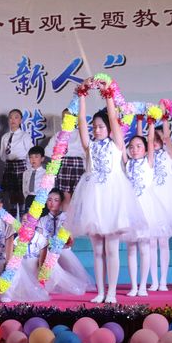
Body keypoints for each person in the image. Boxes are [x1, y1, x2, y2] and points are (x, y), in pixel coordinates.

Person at [65, 80, 147, 303]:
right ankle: (100, 292)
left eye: (101, 127)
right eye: (95, 127)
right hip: (94, 199)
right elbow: (81, 121)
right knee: (97, 251)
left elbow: (112, 116)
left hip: (112, 199)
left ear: (110, 129)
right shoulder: (89, 146)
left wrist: (109, 94)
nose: (97, 130)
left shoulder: (116, 144)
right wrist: (82, 95)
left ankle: (111, 292)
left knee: (111, 249)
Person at [124, 126, 172, 297]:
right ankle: (134, 286)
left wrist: (150, 121)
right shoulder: (127, 163)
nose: (134, 150)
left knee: (146, 247)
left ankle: (144, 285)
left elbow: (147, 140)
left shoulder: (149, 161)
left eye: (138, 146)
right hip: (131, 209)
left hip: (147, 208)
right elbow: (124, 144)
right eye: (131, 147)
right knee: (131, 249)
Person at [140, 117, 172, 291]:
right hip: (151, 200)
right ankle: (154, 281)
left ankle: (163, 281)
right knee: (151, 242)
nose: (155, 142)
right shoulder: (146, 157)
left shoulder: (167, 153)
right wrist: (145, 123)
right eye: (153, 139)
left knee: (163, 242)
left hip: (167, 200)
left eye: (158, 139)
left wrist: (163, 118)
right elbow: (143, 139)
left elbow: (167, 137)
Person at [36, 188, 93, 295]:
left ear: (61, 202)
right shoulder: (42, 220)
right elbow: (39, 239)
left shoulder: (66, 218)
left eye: (56, 200)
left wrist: (62, 242)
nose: (52, 203)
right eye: (49, 200)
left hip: (63, 251)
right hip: (46, 251)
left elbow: (71, 241)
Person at [2, 214, 50, 303]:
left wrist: (41, 279)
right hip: (22, 266)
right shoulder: (17, 239)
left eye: (29, 221)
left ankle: (39, 287)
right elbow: (13, 257)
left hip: (35, 266)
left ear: (35, 223)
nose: (26, 223)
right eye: (24, 221)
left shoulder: (41, 239)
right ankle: (9, 293)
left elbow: (42, 261)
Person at [0, 109, 33, 213]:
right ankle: (13, 214)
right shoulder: (5, 136)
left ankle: (22, 214)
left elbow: (30, 153)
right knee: (10, 193)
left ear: (21, 120)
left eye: (16, 117)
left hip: (21, 165)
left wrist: (27, 169)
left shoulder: (24, 136)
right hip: (9, 166)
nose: (13, 120)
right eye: (10, 118)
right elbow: (2, 155)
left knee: (21, 192)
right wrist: (9, 161)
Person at [52, 108, 87, 208]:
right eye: (64, 117)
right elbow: (50, 153)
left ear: (75, 119)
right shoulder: (58, 135)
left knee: (78, 194)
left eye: (70, 117)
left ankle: (77, 217)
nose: (67, 119)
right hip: (63, 165)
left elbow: (87, 152)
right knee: (65, 195)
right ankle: (64, 216)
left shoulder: (80, 133)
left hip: (78, 166)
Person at [22, 146, 45, 215]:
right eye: (31, 157)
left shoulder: (46, 173)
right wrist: (27, 197)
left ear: (42, 159)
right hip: (29, 198)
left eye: (36, 157)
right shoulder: (26, 173)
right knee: (28, 218)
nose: (33, 159)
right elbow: (24, 187)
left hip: (40, 199)